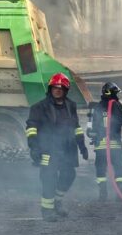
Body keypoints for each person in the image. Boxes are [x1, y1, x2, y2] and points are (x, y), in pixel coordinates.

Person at [26, 72, 88, 222]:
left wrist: (82, 145)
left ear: (66, 90)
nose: (57, 90)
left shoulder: (70, 106)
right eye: (55, 88)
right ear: (50, 89)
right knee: (49, 179)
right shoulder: (39, 107)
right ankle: (47, 211)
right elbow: (31, 128)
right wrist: (34, 148)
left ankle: (57, 202)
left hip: (67, 149)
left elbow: (76, 127)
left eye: (60, 88)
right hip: (48, 149)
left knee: (69, 175)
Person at [88, 82, 122, 201]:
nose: (117, 96)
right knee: (119, 169)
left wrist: (92, 133)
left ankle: (103, 194)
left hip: (100, 146)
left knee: (101, 170)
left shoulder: (96, 107)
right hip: (114, 145)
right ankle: (120, 194)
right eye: (115, 93)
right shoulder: (117, 105)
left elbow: (90, 127)